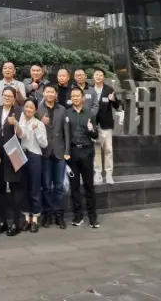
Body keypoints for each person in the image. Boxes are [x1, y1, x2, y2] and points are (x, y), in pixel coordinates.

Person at [64, 86, 99, 228]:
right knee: (74, 186)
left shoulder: (90, 114)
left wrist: (91, 130)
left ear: (83, 98)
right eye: (73, 96)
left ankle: (93, 217)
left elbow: (96, 135)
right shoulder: (67, 113)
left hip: (87, 151)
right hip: (72, 152)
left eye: (77, 96)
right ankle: (78, 216)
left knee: (89, 185)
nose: (75, 98)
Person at [0, 86, 22, 236]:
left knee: (16, 188)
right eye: (5, 95)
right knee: (1, 187)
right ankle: (2, 221)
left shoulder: (20, 112)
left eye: (10, 96)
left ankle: (16, 222)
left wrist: (16, 123)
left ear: (15, 98)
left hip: (15, 151)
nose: (7, 98)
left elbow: (23, 134)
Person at [37, 85, 67, 229]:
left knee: (59, 186)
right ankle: (48, 214)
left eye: (52, 92)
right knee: (47, 186)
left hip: (60, 152)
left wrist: (67, 150)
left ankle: (59, 214)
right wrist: (40, 123)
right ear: (43, 93)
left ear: (56, 94)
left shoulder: (62, 109)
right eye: (47, 92)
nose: (49, 94)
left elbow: (66, 131)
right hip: (45, 152)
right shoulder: (38, 110)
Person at [16, 98, 48, 233]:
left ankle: (35, 218)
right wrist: (17, 125)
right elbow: (20, 135)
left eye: (31, 107)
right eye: (26, 106)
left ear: (35, 110)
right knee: (24, 188)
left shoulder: (39, 124)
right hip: (21, 155)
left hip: (34, 156)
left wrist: (36, 131)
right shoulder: (20, 122)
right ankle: (26, 218)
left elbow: (44, 144)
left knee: (35, 188)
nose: (28, 109)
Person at [91, 69, 118, 185]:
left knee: (108, 150)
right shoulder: (89, 89)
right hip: (94, 125)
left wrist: (113, 99)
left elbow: (117, 105)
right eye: (96, 75)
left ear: (103, 77)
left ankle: (108, 173)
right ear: (93, 77)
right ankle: (97, 173)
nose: (98, 77)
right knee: (96, 151)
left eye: (100, 75)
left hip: (106, 124)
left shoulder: (109, 89)